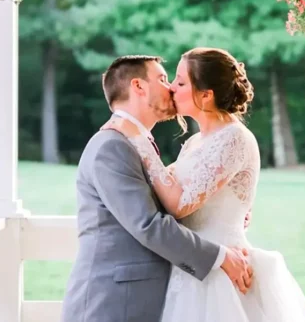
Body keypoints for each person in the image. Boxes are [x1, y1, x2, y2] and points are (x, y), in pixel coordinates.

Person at [103, 47, 305, 321]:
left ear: (205, 95)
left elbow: (179, 204)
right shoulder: (194, 142)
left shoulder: (234, 138)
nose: (171, 89)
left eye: (180, 82)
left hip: (220, 276)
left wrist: (139, 141)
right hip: (193, 266)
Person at [61, 55, 253, 322]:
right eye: (164, 79)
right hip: (112, 303)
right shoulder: (112, 146)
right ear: (139, 87)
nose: (171, 87)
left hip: (159, 296)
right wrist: (220, 256)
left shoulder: (133, 142)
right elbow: (148, 224)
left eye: (176, 81)